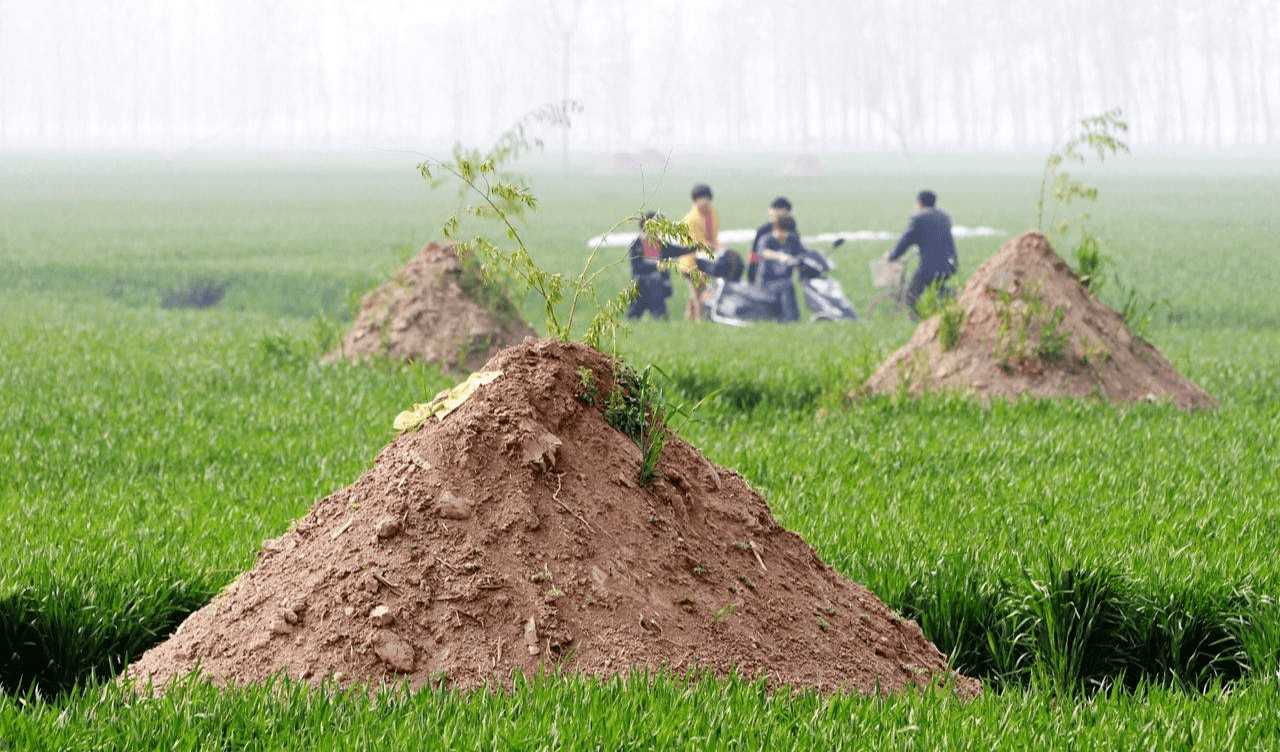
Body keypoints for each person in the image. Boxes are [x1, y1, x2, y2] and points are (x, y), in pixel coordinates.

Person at [884, 189, 958, 319]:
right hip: (950, 263)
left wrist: (893, 256)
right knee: (938, 288)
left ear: (919, 203)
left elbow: (906, 240)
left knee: (911, 294)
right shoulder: (944, 216)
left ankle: (917, 323)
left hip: (931, 266)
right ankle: (955, 297)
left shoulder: (919, 218)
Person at [625, 211, 687, 320]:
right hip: (640, 286)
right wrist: (658, 266)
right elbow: (637, 266)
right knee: (634, 316)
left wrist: (697, 247)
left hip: (657, 286)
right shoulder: (637, 245)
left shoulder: (660, 244)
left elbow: (676, 251)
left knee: (661, 316)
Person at [678, 183, 722, 320]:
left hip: (706, 260)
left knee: (697, 293)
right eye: (701, 199)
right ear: (695, 200)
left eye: (707, 199)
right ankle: (700, 321)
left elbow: (713, 237)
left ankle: (688, 321)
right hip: (691, 263)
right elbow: (694, 245)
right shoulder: (690, 219)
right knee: (699, 295)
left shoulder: (713, 214)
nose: (705, 202)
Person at [756, 215, 803, 323]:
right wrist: (780, 256)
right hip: (767, 282)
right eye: (782, 231)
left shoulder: (792, 240)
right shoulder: (766, 240)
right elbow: (764, 253)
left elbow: (802, 253)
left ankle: (792, 320)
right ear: (775, 229)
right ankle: (789, 320)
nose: (784, 235)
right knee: (787, 286)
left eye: (787, 232)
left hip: (785, 280)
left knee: (788, 285)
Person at [750, 196, 796, 284]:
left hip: (785, 278)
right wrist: (773, 258)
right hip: (767, 278)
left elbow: (798, 251)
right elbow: (753, 256)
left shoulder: (792, 231)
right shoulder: (763, 232)